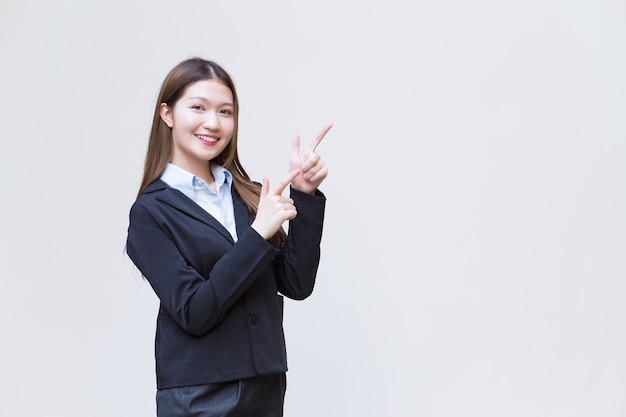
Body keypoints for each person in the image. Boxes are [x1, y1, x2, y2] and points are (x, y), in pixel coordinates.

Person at [125, 57, 331, 416]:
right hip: (198, 394)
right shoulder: (149, 213)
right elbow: (193, 310)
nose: (213, 123)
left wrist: (305, 195)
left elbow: (296, 283)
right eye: (198, 108)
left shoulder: (248, 194)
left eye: (225, 112)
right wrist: (258, 234)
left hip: (265, 384)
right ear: (167, 114)